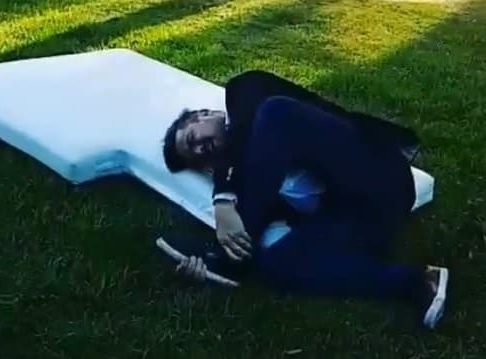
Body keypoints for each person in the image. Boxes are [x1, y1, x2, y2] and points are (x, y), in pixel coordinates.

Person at [160, 70, 448, 329]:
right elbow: (273, 228)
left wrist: (223, 197)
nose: (200, 151)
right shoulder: (252, 182)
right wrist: (232, 250)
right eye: (197, 159)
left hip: (380, 176)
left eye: (192, 139)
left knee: (276, 112)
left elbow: (251, 123)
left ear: (204, 114)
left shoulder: (244, 90)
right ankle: (419, 282)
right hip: (364, 220)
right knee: (273, 263)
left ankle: (224, 260)